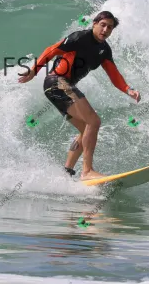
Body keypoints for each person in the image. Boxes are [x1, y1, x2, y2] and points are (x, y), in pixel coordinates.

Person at [18, 11, 141, 181]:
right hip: (57, 82)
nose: (105, 29)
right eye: (103, 25)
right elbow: (51, 50)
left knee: (86, 130)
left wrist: (128, 89)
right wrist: (34, 70)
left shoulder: (104, 50)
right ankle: (87, 171)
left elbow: (114, 74)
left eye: (110, 27)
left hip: (62, 86)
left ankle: (66, 172)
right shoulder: (80, 38)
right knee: (94, 121)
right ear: (94, 24)